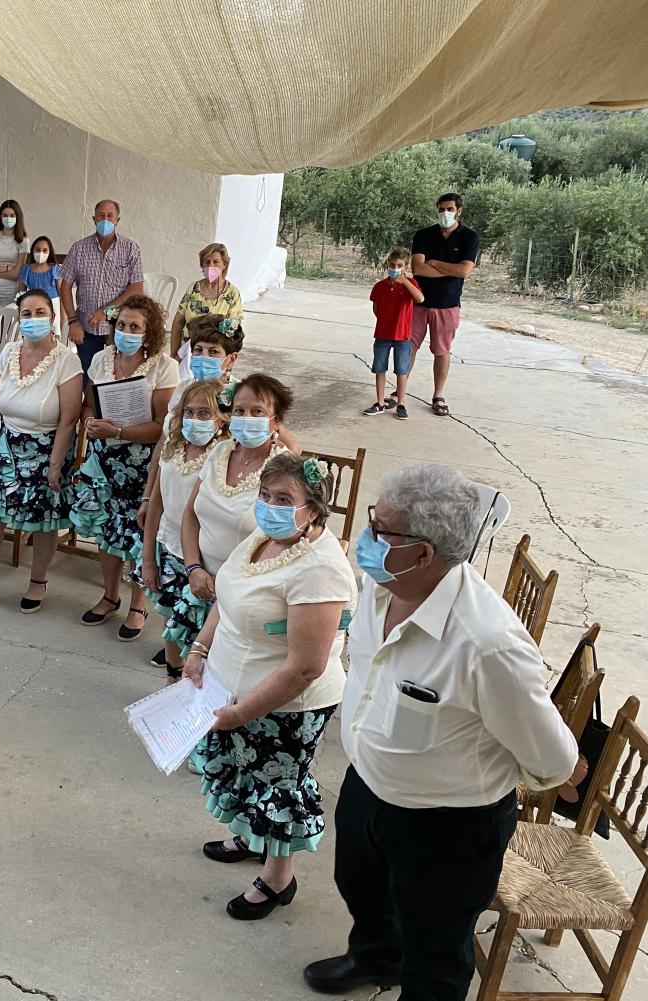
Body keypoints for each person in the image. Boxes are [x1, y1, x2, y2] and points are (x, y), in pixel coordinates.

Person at [304, 464, 581, 1001]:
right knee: (361, 888)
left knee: (435, 949)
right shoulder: (383, 583)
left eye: (380, 529)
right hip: (369, 786)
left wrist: (562, 774)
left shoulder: (487, 643)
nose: (365, 538)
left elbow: (550, 755)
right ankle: (376, 958)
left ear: (423, 552)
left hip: (445, 826)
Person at [183, 452, 357, 920]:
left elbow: (305, 667)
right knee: (245, 773)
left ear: (314, 510)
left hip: (285, 705)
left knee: (278, 787)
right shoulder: (264, 537)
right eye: (265, 495)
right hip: (232, 686)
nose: (269, 506)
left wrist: (242, 713)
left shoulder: (320, 569)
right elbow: (229, 593)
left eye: (284, 499)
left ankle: (278, 879)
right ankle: (249, 835)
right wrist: (200, 648)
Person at [0, 290, 83, 611]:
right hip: (6, 446)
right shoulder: (9, 351)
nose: (33, 319)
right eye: (27, 314)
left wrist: (55, 465)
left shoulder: (67, 360)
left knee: (44, 521)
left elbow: (69, 420)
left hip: (47, 449)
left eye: (41, 313)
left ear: (52, 319)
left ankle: (38, 582)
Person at [71, 294, 179, 640]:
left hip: (140, 464)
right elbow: (88, 403)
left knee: (138, 536)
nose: (126, 331)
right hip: (104, 460)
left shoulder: (164, 366)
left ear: (148, 334)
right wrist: (89, 423)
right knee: (106, 532)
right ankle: (109, 595)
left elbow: (164, 424)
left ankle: (137, 605)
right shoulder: (102, 359)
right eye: (121, 325)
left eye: (135, 327)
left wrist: (120, 431)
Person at [175, 374, 293, 661]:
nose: (246, 418)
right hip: (198, 582)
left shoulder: (284, 471)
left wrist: (228, 583)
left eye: (257, 412)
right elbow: (191, 515)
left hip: (244, 595)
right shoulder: (219, 451)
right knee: (180, 668)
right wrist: (193, 568)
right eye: (239, 410)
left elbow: (282, 544)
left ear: (276, 421)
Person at [138, 379, 227, 681]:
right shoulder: (173, 449)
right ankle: (171, 677)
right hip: (168, 549)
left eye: (205, 413)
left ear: (221, 419)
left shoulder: (221, 458)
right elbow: (157, 506)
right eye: (189, 412)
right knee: (169, 621)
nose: (195, 420)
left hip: (200, 562)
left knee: (195, 630)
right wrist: (148, 557)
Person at [409, 193, 479, 418]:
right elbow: (418, 268)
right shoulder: (424, 235)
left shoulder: (469, 237)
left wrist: (436, 263)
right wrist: (450, 269)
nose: (445, 214)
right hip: (418, 301)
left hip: (447, 305)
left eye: (449, 209)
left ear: (459, 211)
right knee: (408, 347)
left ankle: (438, 395)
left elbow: (464, 271)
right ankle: (400, 391)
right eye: (441, 209)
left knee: (441, 351)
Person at [59, 199, 144, 373]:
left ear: (117, 220)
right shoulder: (79, 249)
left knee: (116, 375)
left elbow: (136, 288)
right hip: (86, 328)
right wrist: (73, 321)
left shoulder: (131, 249)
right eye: (101, 216)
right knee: (87, 375)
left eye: (110, 216)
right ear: (94, 219)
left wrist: (105, 311)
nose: (105, 220)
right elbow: (65, 287)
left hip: (119, 329)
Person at [364, 247, 424, 420]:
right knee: (380, 368)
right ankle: (380, 402)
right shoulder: (380, 286)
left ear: (405, 267)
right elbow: (376, 308)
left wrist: (404, 282)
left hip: (403, 336)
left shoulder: (410, 285)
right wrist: (385, 320)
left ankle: (401, 403)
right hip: (383, 333)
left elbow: (420, 299)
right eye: (392, 264)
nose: (395, 268)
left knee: (401, 370)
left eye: (399, 265)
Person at [169, 242, 244, 360]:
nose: (211, 266)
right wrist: (174, 354)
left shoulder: (232, 294)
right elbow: (178, 322)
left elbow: (232, 334)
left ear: (225, 264)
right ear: (202, 265)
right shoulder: (193, 288)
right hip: (187, 353)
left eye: (216, 262)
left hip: (214, 357)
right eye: (207, 262)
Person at [0, 200, 28, 309]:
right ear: (0, 216)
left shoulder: (23, 240)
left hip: (11, 292)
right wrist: (8, 268)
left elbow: (16, 273)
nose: (8, 218)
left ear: (17, 216)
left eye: (12, 215)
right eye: (5, 215)